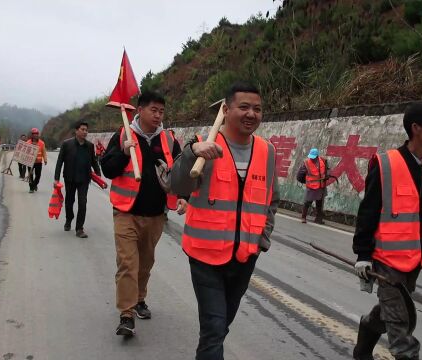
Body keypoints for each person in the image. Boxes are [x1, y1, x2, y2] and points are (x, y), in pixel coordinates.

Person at [170, 82, 280, 360]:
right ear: (226, 109)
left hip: (245, 256)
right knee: (215, 325)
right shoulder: (203, 143)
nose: (251, 114)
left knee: (219, 327)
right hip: (205, 257)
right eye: (243, 107)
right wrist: (192, 153)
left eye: (257, 109)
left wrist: (262, 239)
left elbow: (271, 200)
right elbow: (175, 184)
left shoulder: (267, 152)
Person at [352, 103, 422, 360]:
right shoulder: (386, 164)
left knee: (392, 311)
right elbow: (368, 211)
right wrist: (362, 254)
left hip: (417, 259)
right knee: (401, 322)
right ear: (416, 128)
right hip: (386, 260)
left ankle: (365, 336)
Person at [100, 90, 187, 337]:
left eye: (161, 111)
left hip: (156, 215)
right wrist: (123, 153)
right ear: (140, 110)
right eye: (153, 110)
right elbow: (107, 168)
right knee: (128, 262)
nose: (158, 115)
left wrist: (183, 196)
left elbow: (179, 173)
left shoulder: (169, 140)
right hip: (126, 212)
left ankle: (139, 299)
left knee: (145, 263)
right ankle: (126, 314)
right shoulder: (123, 135)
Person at [54, 121, 103, 238]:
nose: (85, 132)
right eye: (82, 129)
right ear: (76, 131)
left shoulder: (90, 146)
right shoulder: (67, 144)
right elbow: (60, 161)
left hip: (84, 179)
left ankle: (79, 228)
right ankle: (69, 219)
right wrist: (56, 179)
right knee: (69, 202)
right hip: (70, 178)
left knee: (83, 203)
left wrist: (98, 174)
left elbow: (93, 161)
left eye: (86, 130)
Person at [296, 148, 329, 224]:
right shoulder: (306, 163)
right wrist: (304, 181)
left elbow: (327, 170)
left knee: (319, 203)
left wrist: (327, 176)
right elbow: (299, 175)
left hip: (321, 185)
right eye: (311, 157)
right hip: (311, 186)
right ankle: (303, 217)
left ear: (317, 156)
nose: (312, 158)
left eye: (313, 157)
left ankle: (318, 219)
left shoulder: (323, 161)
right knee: (307, 202)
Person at [27, 128, 48, 193]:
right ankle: (31, 188)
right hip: (30, 162)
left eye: (37, 134)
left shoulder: (41, 143)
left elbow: (44, 152)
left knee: (38, 175)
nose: (36, 135)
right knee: (30, 175)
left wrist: (45, 159)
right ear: (32, 135)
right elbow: (25, 152)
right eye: (34, 134)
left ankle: (35, 184)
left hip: (38, 162)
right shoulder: (28, 143)